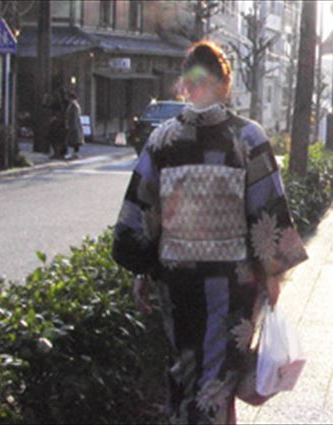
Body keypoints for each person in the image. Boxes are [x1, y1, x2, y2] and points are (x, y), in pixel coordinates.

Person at [111, 40, 308, 424]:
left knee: (184, 376)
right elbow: (266, 211)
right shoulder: (246, 138)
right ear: (226, 84)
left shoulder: (162, 141)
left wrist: (141, 272)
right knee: (218, 382)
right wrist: (272, 275)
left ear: (185, 84)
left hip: (177, 281)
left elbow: (142, 213)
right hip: (231, 285)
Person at [64, 91, 84, 160]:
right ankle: (74, 154)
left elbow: (74, 116)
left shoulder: (73, 105)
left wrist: (70, 125)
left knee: (75, 140)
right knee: (74, 140)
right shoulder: (74, 105)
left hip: (74, 125)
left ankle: (75, 154)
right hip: (75, 124)